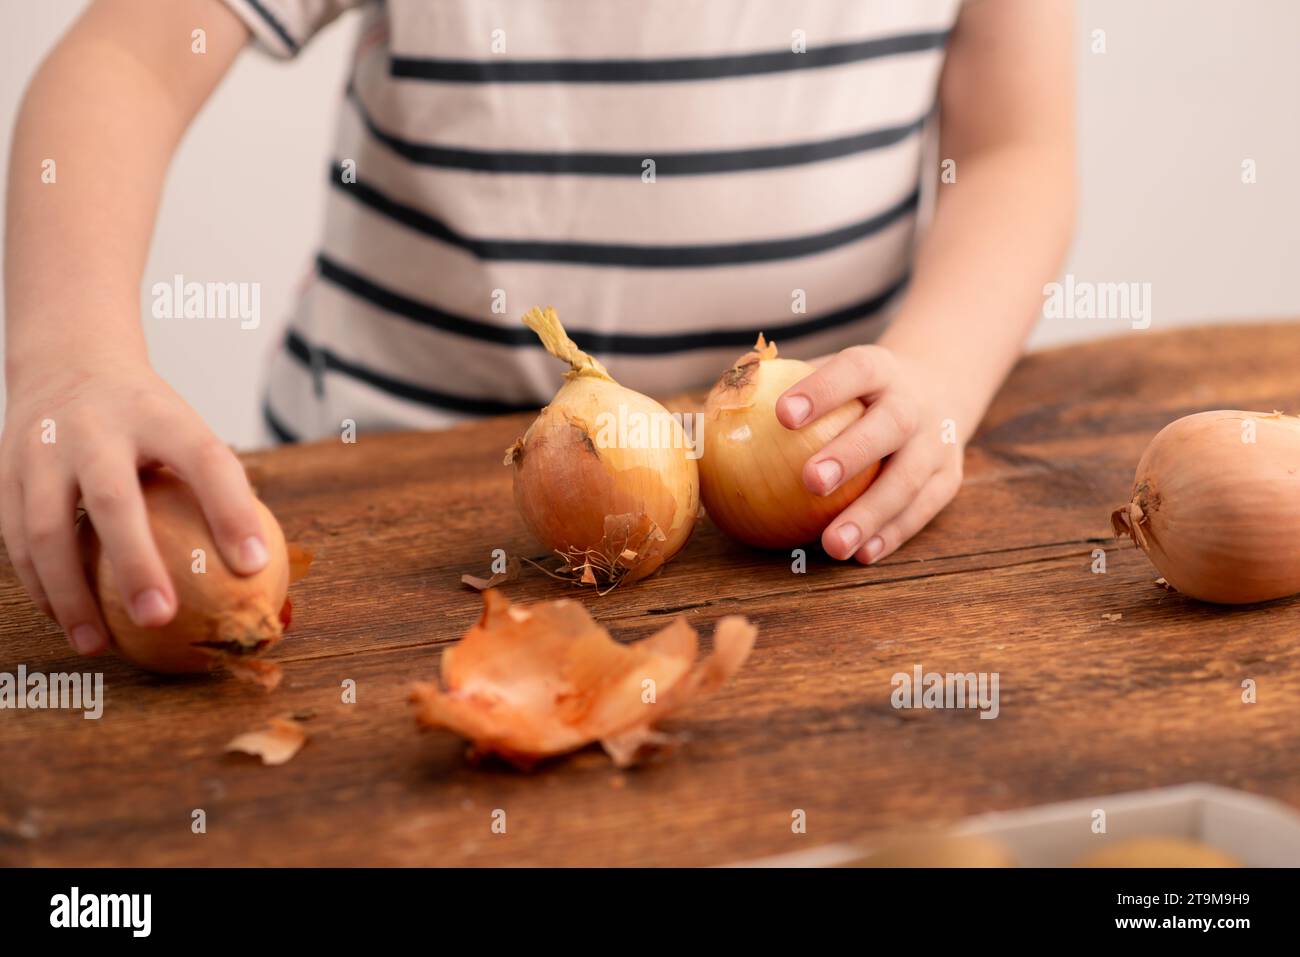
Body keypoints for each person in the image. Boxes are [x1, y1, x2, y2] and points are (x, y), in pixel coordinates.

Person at [1, 0, 1075, 656]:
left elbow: (1013, 150)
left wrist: (935, 372)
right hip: (377, 492)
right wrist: (69, 352)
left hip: (803, 533)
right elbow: (126, 58)